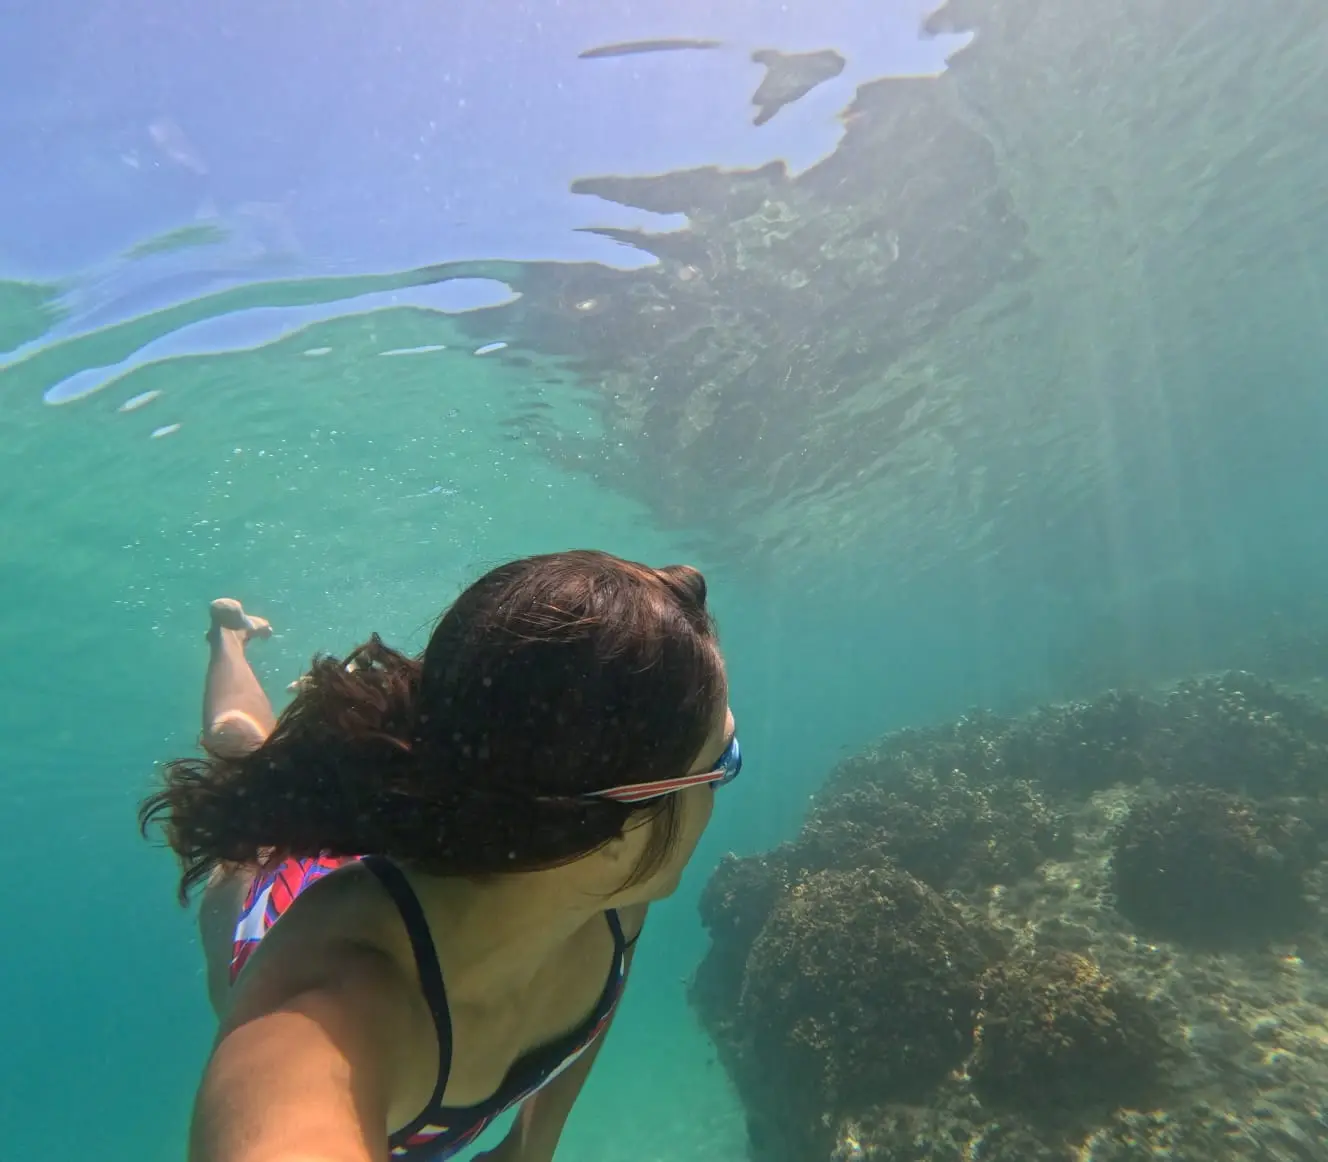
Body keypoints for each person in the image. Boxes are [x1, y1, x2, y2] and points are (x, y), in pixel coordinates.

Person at [139, 550, 742, 1162]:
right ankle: (228, 639)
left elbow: (600, 990)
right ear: (617, 832)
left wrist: (532, 1146)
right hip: (271, 902)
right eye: (723, 764)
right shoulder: (326, 1015)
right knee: (240, 749)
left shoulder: (613, 892)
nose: (722, 787)